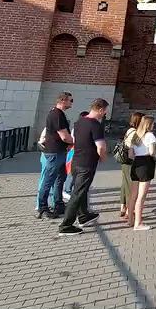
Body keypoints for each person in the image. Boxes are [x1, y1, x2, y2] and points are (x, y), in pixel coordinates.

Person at [58, 99, 109, 236]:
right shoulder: (96, 125)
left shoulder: (79, 122)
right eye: (104, 111)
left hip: (76, 161)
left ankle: (84, 215)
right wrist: (103, 157)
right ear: (100, 109)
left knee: (82, 189)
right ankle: (66, 225)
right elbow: (101, 146)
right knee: (77, 193)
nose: (104, 114)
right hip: (87, 163)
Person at [36, 93, 74, 219]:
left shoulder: (58, 114)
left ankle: (58, 204)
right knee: (49, 180)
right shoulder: (56, 114)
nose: (71, 103)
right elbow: (64, 136)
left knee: (60, 179)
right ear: (63, 100)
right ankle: (42, 207)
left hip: (60, 152)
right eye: (70, 100)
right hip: (54, 152)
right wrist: (76, 141)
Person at [130, 115, 156, 231]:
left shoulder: (136, 135)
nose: (154, 125)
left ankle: (130, 219)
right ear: (149, 125)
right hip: (146, 163)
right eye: (153, 124)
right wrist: (154, 154)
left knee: (133, 195)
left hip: (136, 163)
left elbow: (130, 154)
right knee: (141, 197)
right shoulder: (150, 136)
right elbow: (152, 152)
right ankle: (138, 223)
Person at [118, 111, 143, 222]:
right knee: (130, 186)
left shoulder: (129, 130)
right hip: (130, 161)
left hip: (124, 161)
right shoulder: (136, 133)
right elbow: (135, 148)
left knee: (124, 184)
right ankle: (129, 210)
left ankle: (123, 207)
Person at [63, 110, 90, 203]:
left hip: (78, 152)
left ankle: (71, 190)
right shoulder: (77, 128)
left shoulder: (79, 127)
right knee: (71, 172)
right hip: (75, 151)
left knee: (75, 173)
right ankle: (67, 190)